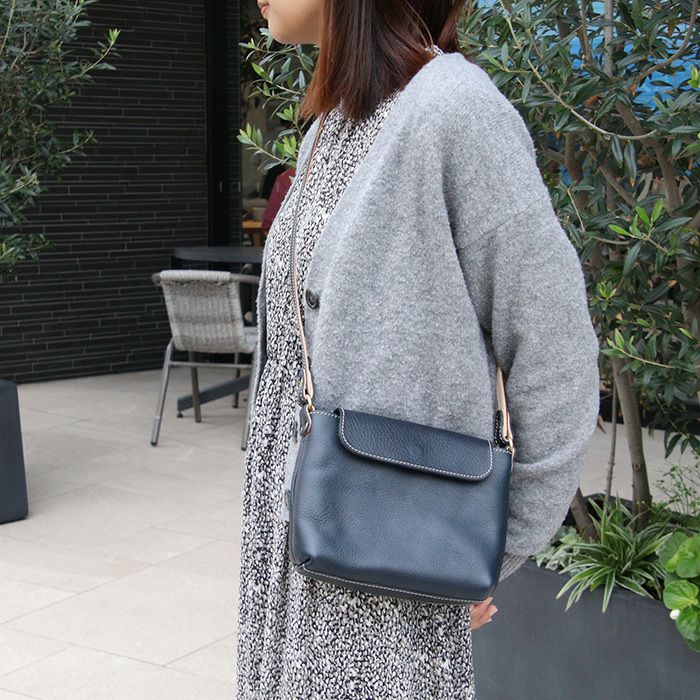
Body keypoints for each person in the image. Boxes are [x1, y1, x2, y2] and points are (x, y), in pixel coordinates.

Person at [237, 1, 600, 698]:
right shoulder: (333, 128)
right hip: (295, 548)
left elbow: (555, 351)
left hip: (388, 570)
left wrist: (488, 546)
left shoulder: (455, 111)